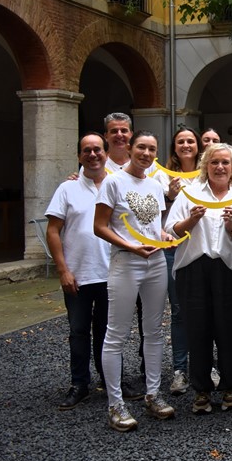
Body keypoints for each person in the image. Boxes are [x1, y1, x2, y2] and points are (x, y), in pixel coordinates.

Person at [94, 130, 175, 432]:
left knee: (153, 331)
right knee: (117, 333)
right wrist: (130, 246)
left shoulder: (155, 185)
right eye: (141, 147)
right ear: (129, 148)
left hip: (155, 261)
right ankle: (115, 404)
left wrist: (164, 235)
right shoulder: (113, 182)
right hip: (127, 261)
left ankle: (153, 394)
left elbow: (156, 224)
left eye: (152, 149)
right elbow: (99, 226)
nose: (146, 153)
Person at [165, 142, 232, 414]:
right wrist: (191, 220)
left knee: (228, 329)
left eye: (225, 162)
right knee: (197, 329)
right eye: (214, 162)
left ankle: (229, 387)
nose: (220, 167)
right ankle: (201, 390)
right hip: (193, 266)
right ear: (206, 166)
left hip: (229, 268)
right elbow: (171, 231)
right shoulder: (190, 194)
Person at [46, 132, 112, 410]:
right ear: (79, 156)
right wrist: (62, 270)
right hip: (78, 274)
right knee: (78, 330)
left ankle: (110, 380)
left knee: (109, 332)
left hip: (112, 273)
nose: (93, 154)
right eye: (87, 150)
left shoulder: (116, 185)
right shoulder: (67, 189)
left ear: (106, 154)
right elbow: (53, 230)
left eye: (98, 149)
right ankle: (80, 383)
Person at [159, 124, 201, 396]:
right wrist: (169, 195)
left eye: (190, 141)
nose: (186, 145)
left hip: (203, 247)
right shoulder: (162, 178)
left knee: (207, 308)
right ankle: (179, 369)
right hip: (174, 247)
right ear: (174, 147)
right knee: (179, 311)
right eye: (180, 142)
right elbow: (154, 214)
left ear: (198, 146)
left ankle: (206, 365)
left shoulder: (209, 173)